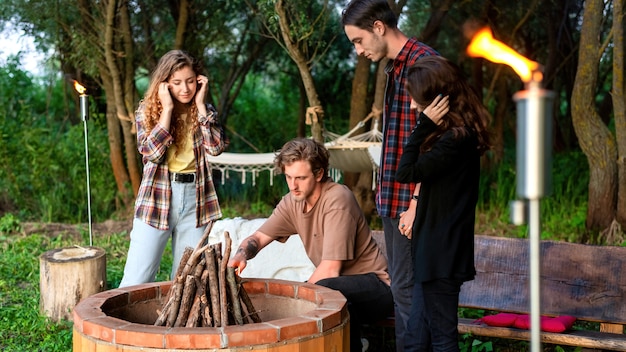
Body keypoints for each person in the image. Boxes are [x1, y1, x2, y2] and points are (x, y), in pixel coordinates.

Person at [228, 138, 393, 352]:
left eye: (300, 178)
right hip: (340, 291)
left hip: (377, 287)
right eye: (288, 177)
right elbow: (258, 238)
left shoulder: (337, 200)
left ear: (319, 174)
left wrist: (295, 300)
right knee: (328, 297)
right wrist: (241, 255)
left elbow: (331, 270)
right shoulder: (293, 201)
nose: (293, 185)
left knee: (324, 292)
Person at [342, 1, 438, 349]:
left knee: (412, 295)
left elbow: (436, 140)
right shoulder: (395, 67)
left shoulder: (424, 63)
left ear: (379, 27)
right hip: (393, 199)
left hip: (411, 204)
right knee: (403, 292)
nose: (358, 50)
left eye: (358, 40)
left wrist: (416, 201)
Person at [395, 56, 491, 351]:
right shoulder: (456, 139)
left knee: (442, 338)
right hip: (437, 252)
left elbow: (405, 172)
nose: (412, 107)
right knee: (416, 337)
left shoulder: (455, 141)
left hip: (441, 254)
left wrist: (422, 127)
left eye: (417, 101)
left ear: (437, 102)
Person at [119, 50, 227, 287]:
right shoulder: (146, 112)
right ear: (164, 84)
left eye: (190, 81)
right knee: (138, 277)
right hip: (157, 197)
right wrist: (166, 111)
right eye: (177, 83)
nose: (185, 89)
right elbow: (153, 154)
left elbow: (216, 148)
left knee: (188, 279)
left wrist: (200, 106)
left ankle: (176, 325)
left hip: (196, 200)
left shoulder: (203, 110)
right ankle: (120, 324)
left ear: (198, 80)